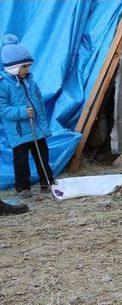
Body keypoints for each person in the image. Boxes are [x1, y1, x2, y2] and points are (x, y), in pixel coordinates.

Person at [0, 34, 53, 199]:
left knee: (42, 155)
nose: (28, 69)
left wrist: (42, 123)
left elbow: (39, 103)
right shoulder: (3, 84)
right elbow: (2, 109)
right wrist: (22, 112)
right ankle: (23, 187)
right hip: (20, 132)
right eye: (25, 66)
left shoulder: (31, 81)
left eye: (29, 66)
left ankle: (47, 182)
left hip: (36, 128)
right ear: (14, 67)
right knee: (21, 161)